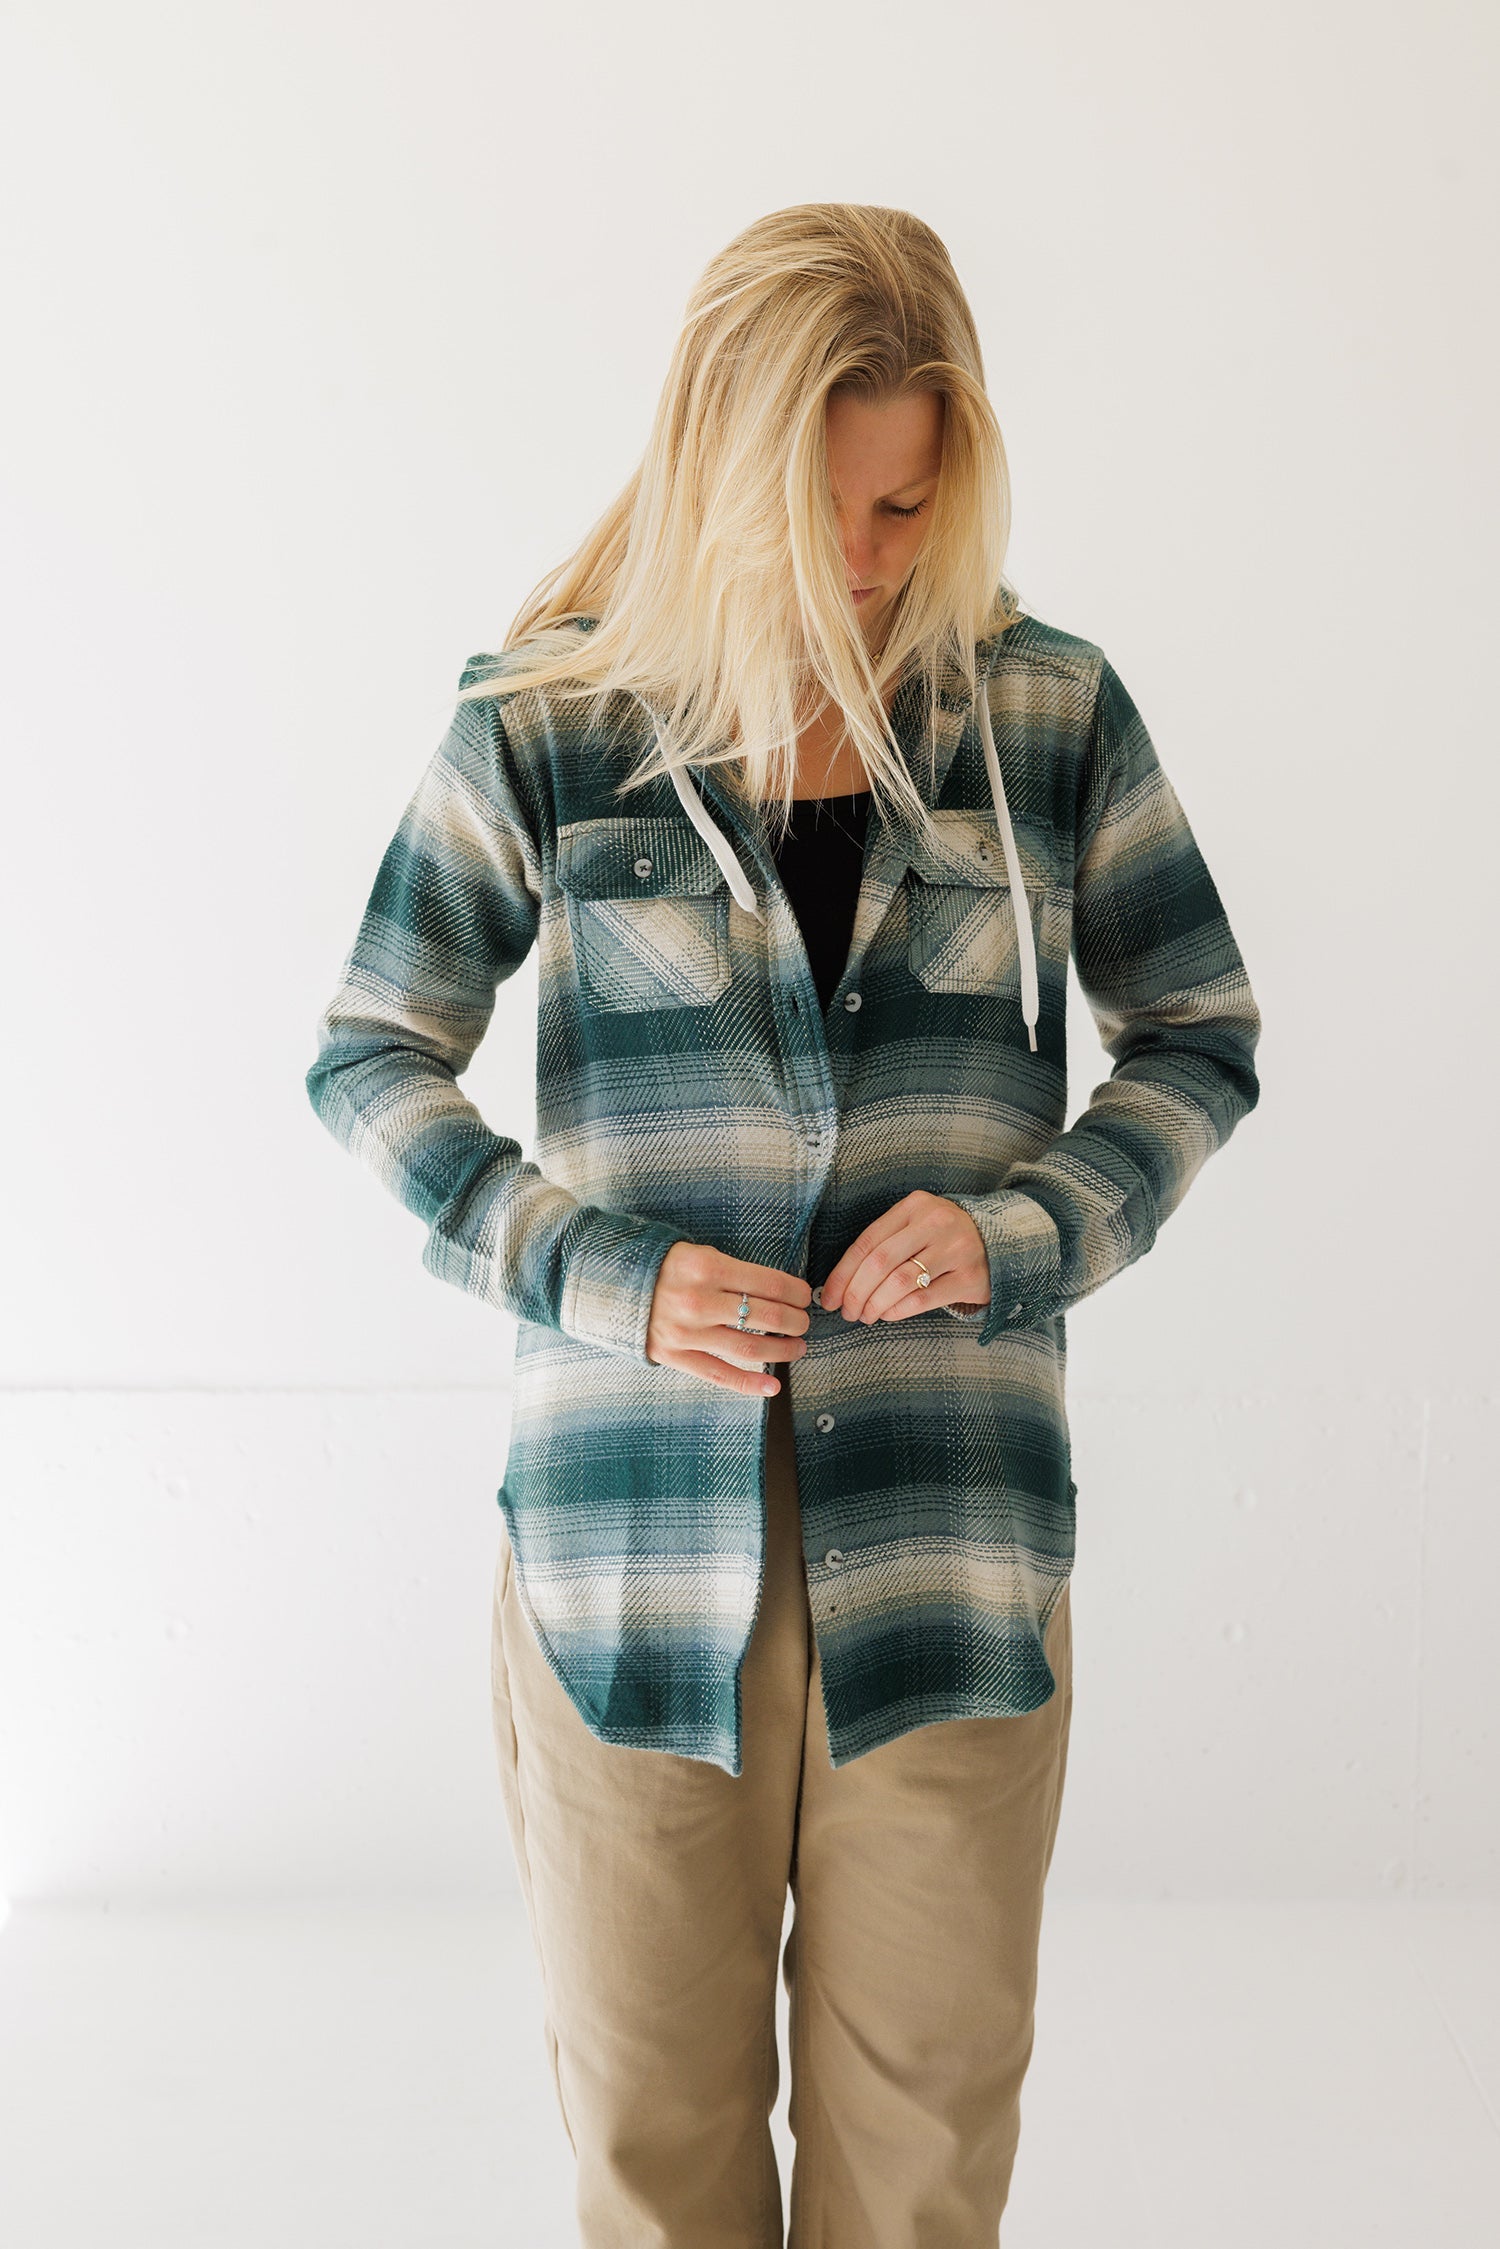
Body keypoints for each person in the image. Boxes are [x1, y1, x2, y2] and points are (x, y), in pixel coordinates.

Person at [304, 202, 1262, 2246]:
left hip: (952, 1551)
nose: (870, 560)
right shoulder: (545, 725)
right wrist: (604, 1274)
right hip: (629, 1572)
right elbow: (374, 1057)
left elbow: (1198, 1034)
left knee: (923, 2174)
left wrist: (1023, 1231)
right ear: (713, 467)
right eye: (824, 511)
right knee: (657, 2168)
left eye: (909, 506)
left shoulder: (1050, 717)